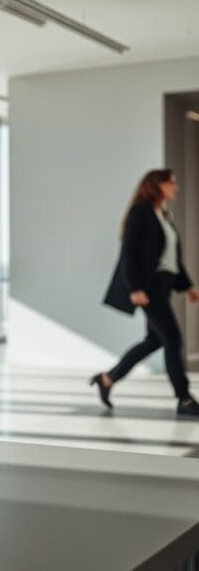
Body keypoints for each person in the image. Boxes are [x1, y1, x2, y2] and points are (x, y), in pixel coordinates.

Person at [94, 168, 199, 417]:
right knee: (172, 339)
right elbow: (128, 254)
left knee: (154, 340)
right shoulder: (140, 212)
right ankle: (184, 398)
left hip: (164, 284)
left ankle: (108, 379)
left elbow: (172, 257)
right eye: (172, 182)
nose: (176, 187)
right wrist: (135, 288)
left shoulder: (163, 215)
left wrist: (188, 286)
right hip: (148, 288)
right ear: (157, 185)